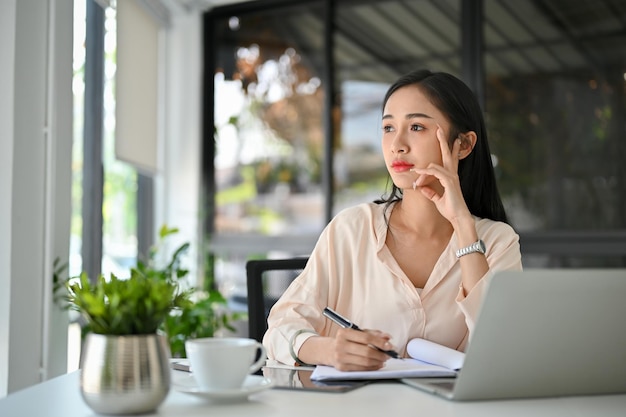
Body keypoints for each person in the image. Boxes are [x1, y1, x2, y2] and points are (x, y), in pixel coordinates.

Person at [263, 69, 522, 371]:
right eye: (388, 128)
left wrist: (463, 225)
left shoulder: (498, 241)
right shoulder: (352, 229)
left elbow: (505, 346)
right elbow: (281, 328)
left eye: (416, 127)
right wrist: (329, 351)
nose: (397, 144)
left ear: (463, 144)